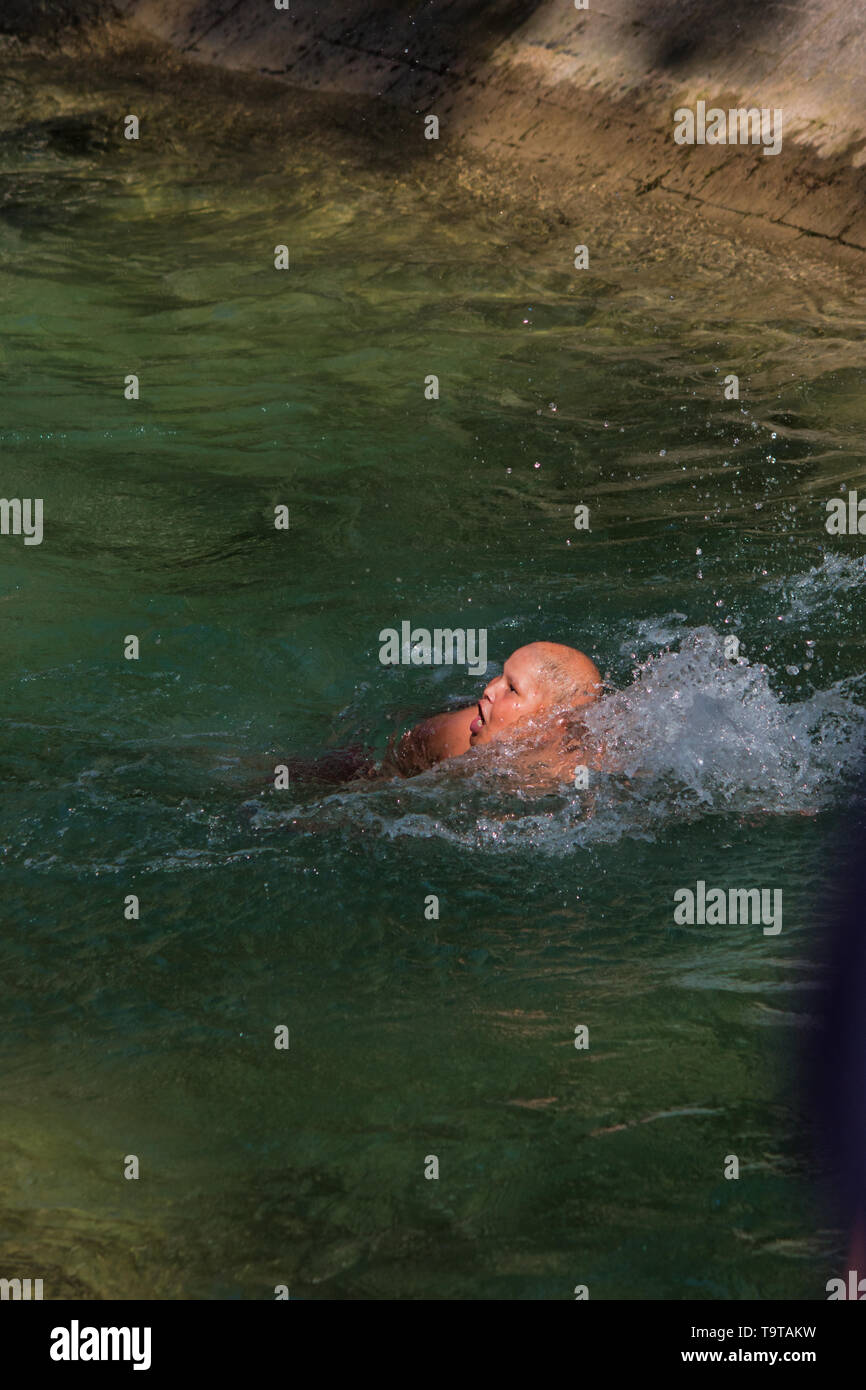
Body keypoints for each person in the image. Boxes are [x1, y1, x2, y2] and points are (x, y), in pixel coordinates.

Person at [384, 640, 602, 781]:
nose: (489, 689)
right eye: (501, 675)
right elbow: (393, 768)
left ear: (553, 724)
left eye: (512, 689)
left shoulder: (585, 776)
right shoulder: (454, 737)